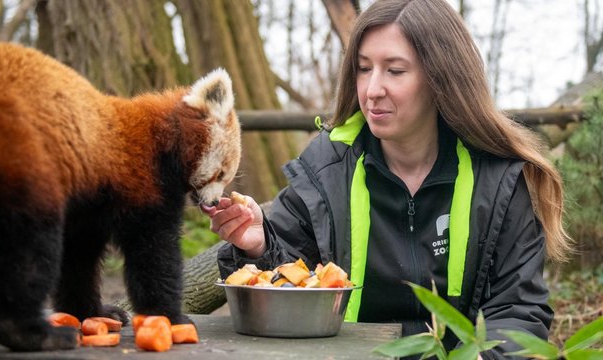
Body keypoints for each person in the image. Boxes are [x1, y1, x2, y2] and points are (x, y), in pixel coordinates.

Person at [201, 0, 571, 358]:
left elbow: (520, 311)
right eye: (364, 68)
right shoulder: (327, 167)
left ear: (440, 78)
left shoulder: (500, 180)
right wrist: (257, 245)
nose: (373, 89)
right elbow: (287, 288)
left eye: (394, 71)